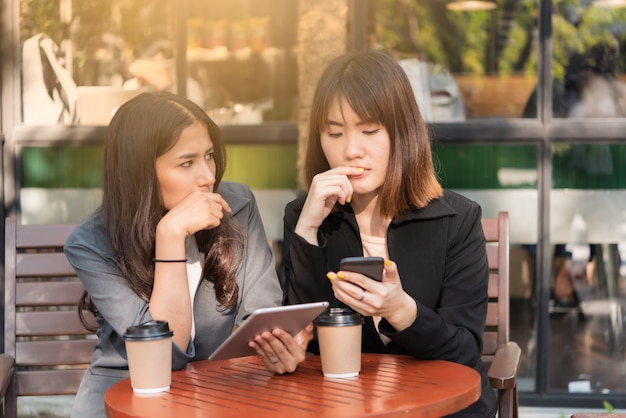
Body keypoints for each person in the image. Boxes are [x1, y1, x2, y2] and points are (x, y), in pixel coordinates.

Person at [65, 91, 312, 417]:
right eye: (186, 162)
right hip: (124, 394)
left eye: (209, 155)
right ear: (140, 173)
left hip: (215, 390)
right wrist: (170, 236)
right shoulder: (91, 243)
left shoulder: (236, 205)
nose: (208, 176)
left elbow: (261, 314)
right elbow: (163, 355)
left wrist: (279, 347)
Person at [282, 50, 497, 417]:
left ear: (402, 131)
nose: (351, 150)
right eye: (334, 132)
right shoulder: (308, 218)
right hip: (345, 406)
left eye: (369, 131)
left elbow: (464, 352)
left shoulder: (456, 220)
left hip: (441, 406)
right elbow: (302, 345)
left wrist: (402, 310)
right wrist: (307, 231)